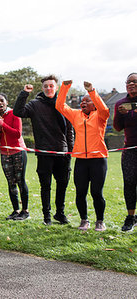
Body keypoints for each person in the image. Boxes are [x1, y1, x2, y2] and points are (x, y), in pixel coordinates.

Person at [14, 75, 74, 225]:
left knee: (62, 185)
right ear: (42, 88)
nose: (49, 88)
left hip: (62, 152)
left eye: (51, 86)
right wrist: (24, 93)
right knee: (45, 186)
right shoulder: (35, 105)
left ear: (56, 87)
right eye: (46, 86)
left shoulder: (62, 104)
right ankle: (46, 216)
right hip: (44, 152)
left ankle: (60, 213)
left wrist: (70, 151)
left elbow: (70, 130)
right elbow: (18, 112)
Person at [56, 80, 109, 231]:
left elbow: (104, 109)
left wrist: (92, 91)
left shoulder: (100, 116)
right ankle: (84, 220)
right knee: (80, 192)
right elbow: (60, 106)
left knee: (97, 193)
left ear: (94, 104)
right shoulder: (76, 115)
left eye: (87, 101)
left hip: (98, 160)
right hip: (81, 160)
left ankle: (100, 221)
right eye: (82, 101)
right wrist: (65, 87)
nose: (83, 103)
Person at [0, 93, 29, 220]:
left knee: (20, 180)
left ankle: (25, 211)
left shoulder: (15, 114)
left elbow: (17, 134)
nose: (0, 103)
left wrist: (2, 124)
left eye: (2, 101)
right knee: (10, 182)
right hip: (5, 153)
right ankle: (16, 210)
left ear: (7, 102)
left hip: (18, 151)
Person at [113, 72, 137, 232]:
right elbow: (117, 127)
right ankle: (131, 217)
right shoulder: (121, 103)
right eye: (128, 82)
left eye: (134, 82)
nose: (131, 84)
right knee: (129, 183)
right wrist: (120, 115)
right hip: (129, 150)